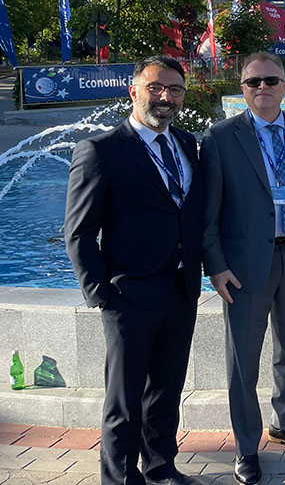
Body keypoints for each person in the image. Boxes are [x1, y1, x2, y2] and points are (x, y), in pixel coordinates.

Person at [65, 56, 203, 485]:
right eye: (156, 88)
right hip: (128, 296)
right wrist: (101, 294)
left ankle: (161, 466)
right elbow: (79, 232)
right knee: (123, 401)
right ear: (134, 91)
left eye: (175, 90)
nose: (166, 97)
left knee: (166, 389)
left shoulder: (187, 144)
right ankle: (120, 477)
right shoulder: (101, 150)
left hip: (181, 289)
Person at [200, 52, 285, 485]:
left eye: (271, 80)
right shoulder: (220, 137)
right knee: (244, 361)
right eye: (253, 82)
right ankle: (246, 447)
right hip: (244, 265)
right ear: (243, 87)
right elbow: (208, 211)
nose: (262, 88)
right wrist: (215, 265)